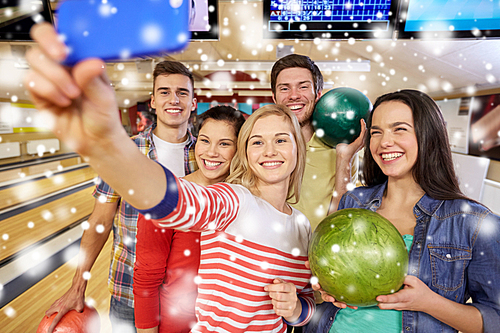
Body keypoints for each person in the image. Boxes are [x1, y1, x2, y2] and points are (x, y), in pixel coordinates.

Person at [25, 23, 315, 331]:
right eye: (257, 141)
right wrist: (110, 144)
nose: (269, 150)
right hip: (135, 291)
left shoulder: (300, 226)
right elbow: (175, 200)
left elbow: (305, 304)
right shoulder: (232, 201)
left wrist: (297, 308)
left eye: (281, 140)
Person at [304, 90, 500, 333]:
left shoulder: (473, 223)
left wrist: (429, 303)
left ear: (428, 135)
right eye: (376, 132)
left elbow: (495, 320)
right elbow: (324, 283)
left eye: (399, 129)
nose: (384, 142)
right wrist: (327, 289)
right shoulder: (353, 202)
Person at [39, 50, 199, 332]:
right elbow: (99, 222)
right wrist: (78, 286)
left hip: (188, 295)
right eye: (164, 92)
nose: (174, 100)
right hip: (128, 292)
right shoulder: (123, 152)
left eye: (182, 93)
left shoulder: (207, 153)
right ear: (153, 101)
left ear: (193, 102)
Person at [133, 105, 246, 333]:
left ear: (240, 149)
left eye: (224, 144)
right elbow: (146, 279)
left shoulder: (247, 201)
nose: (211, 152)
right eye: (205, 141)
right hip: (177, 325)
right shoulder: (169, 196)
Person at [270, 54, 365, 231]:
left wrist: (344, 159)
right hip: (271, 252)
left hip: (317, 252)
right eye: (284, 88)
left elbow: (342, 218)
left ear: (318, 95)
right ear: (274, 98)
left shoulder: (340, 149)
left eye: (303, 87)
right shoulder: (262, 149)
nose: (294, 96)